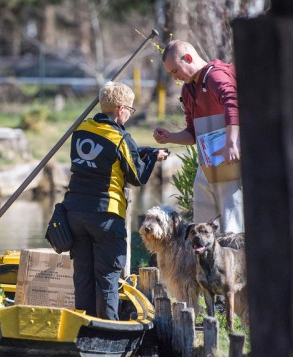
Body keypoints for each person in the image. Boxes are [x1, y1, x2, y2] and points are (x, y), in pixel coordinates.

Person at [63, 81, 169, 320]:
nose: (130, 115)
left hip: (74, 213)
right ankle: (107, 327)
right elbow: (138, 177)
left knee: (83, 275)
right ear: (121, 109)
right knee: (107, 275)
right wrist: (152, 157)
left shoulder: (80, 129)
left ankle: (83, 323)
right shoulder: (121, 138)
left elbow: (103, 153)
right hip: (105, 215)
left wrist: (139, 151)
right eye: (130, 110)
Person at [153, 40, 244, 233]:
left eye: (175, 70)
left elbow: (233, 100)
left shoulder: (215, 75)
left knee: (231, 226)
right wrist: (170, 137)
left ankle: (235, 261)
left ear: (188, 58)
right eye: (171, 74)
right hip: (207, 165)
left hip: (229, 161)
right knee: (202, 227)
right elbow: (192, 133)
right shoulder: (187, 89)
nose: (174, 77)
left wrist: (231, 142)